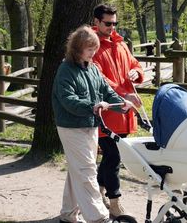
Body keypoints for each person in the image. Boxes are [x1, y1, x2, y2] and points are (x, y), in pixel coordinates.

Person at [52, 25, 133, 223]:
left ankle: (68, 214)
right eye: (90, 49)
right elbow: (68, 100)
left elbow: (105, 90)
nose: (94, 53)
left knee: (78, 169)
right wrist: (93, 106)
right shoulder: (65, 70)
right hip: (71, 127)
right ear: (77, 48)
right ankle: (99, 217)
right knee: (87, 169)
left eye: (95, 49)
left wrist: (120, 103)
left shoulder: (93, 68)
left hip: (90, 124)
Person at [92, 4, 145, 217]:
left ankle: (98, 190)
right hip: (107, 114)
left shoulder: (120, 43)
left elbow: (135, 64)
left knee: (113, 157)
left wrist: (135, 73)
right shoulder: (91, 46)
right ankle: (114, 204)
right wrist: (123, 96)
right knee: (113, 158)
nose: (112, 27)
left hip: (124, 112)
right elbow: (99, 80)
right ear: (96, 22)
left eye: (115, 23)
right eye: (108, 23)